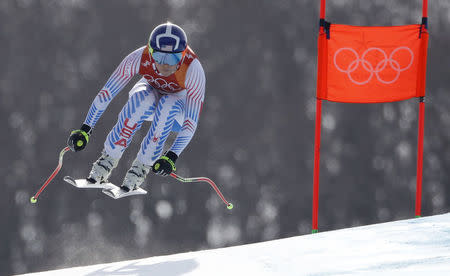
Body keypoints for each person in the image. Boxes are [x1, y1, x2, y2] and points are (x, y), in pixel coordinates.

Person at [67, 22, 205, 195]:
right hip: (151, 92)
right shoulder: (139, 57)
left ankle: (140, 169)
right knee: (141, 100)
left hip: (178, 109)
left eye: (173, 58)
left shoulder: (193, 70)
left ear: (183, 55)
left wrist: (171, 156)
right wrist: (86, 128)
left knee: (168, 105)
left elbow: (190, 124)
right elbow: (107, 93)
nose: (166, 65)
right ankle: (106, 161)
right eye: (160, 57)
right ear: (151, 51)